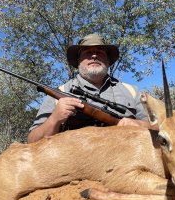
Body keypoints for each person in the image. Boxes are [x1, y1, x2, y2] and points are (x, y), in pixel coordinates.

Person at [28, 33, 158, 143]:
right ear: (79, 60)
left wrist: (141, 125)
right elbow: (33, 141)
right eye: (88, 52)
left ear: (107, 60)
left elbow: (163, 128)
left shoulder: (132, 91)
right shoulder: (59, 94)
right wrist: (55, 119)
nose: (94, 56)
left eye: (100, 52)